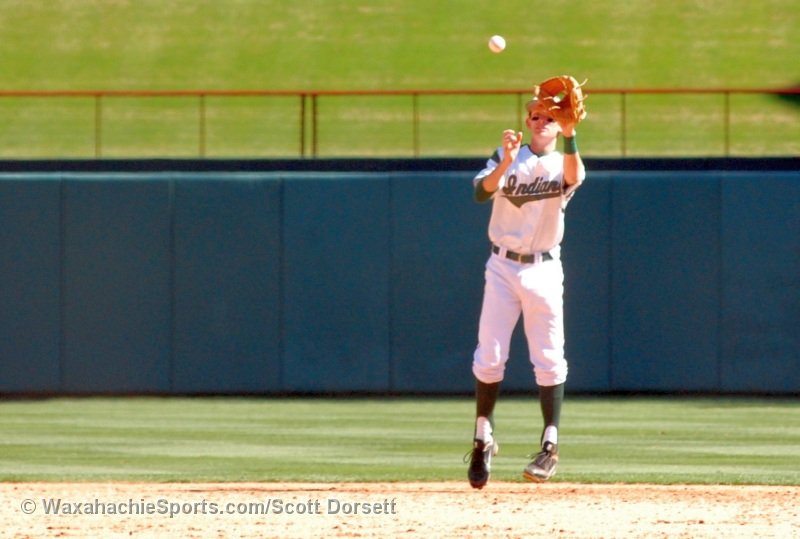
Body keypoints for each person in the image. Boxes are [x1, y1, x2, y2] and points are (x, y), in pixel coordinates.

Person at [466, 88, 586, 489]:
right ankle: (483, 437)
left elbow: (574, 177)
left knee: (549, 358)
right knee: (489, 356)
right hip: (502, 265)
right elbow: (481, 192)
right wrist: (505, 159)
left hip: (544, 269)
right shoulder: (507, 157)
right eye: (535, 115)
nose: (541, 121)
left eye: (549, 116)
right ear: (526, 121)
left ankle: (549, 447)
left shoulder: (564, 160)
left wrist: (570, 134)